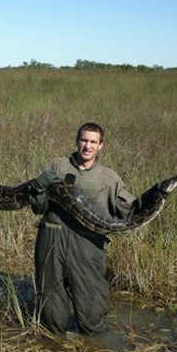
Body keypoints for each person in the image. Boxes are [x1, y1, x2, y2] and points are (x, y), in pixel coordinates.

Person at [29, 122, 141, 335]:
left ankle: (93, 351)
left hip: (87, 244)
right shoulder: (58, 166)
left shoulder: (108, 178)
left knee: (91, 304)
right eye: (84, 140)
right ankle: (53, 348)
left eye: (93, 142)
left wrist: (154, 198)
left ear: (101, 146)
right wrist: (38, 188)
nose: (87, 146)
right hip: (51, 237)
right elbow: (39, 207)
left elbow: (130, 212)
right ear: (77, 141)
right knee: (50, 301)